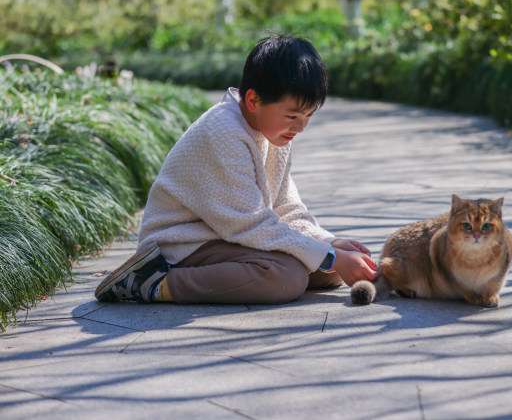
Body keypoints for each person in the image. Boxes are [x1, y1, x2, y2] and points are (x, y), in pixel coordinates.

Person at [95, 34, 378, 304]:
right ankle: (151, 283)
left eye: (308, 116)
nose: (301, 127)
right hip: (182, 245)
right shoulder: (223, 132)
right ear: (254, 100)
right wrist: (329, 255)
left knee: (329, 273)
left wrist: (331, 244)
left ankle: (318, 258)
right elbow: (249, 223)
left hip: (228, 235)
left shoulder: (274, 132)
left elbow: (286, 209)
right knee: (286, 277)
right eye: (292, 115)